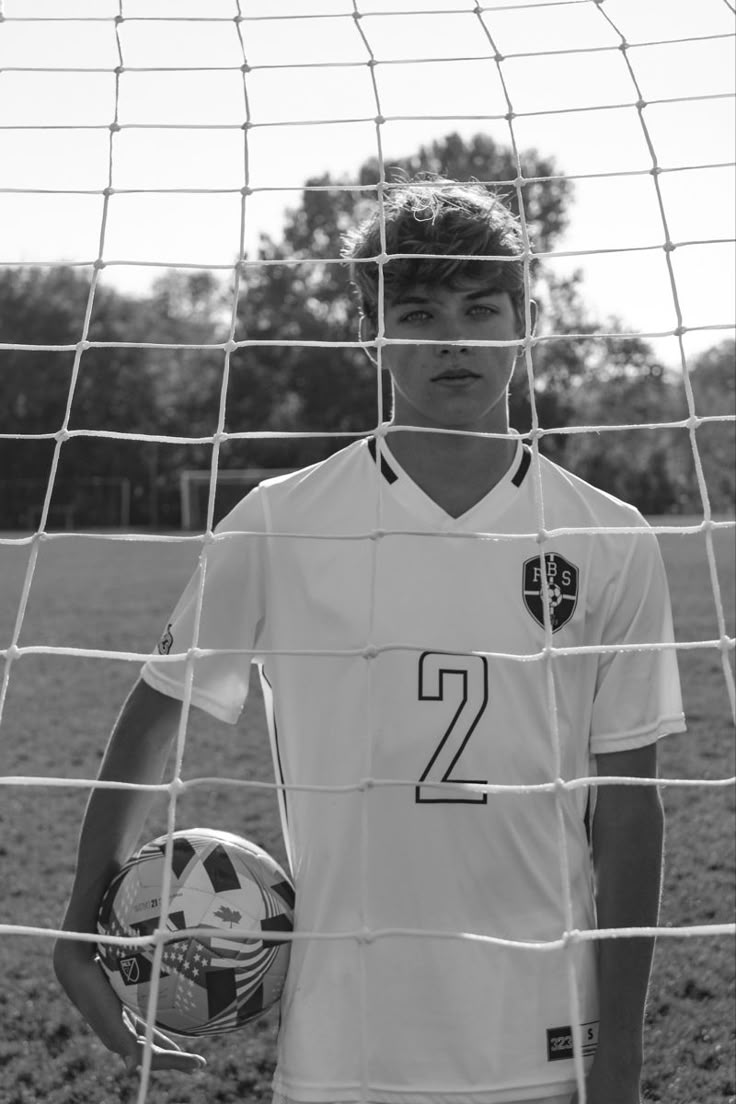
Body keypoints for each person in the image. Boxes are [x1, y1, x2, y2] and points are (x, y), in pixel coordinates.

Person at [54, 179, 686, 1104]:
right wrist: (81, 923)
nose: (451, 339)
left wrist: (621, 1061)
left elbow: (630, 813)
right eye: (418, 312)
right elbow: (157, 714)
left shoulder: (610, 535)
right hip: (344, 1044)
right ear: (369, 332)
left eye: (480, 310)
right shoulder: (282, 523)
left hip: (550, 1040)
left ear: (528, 320)